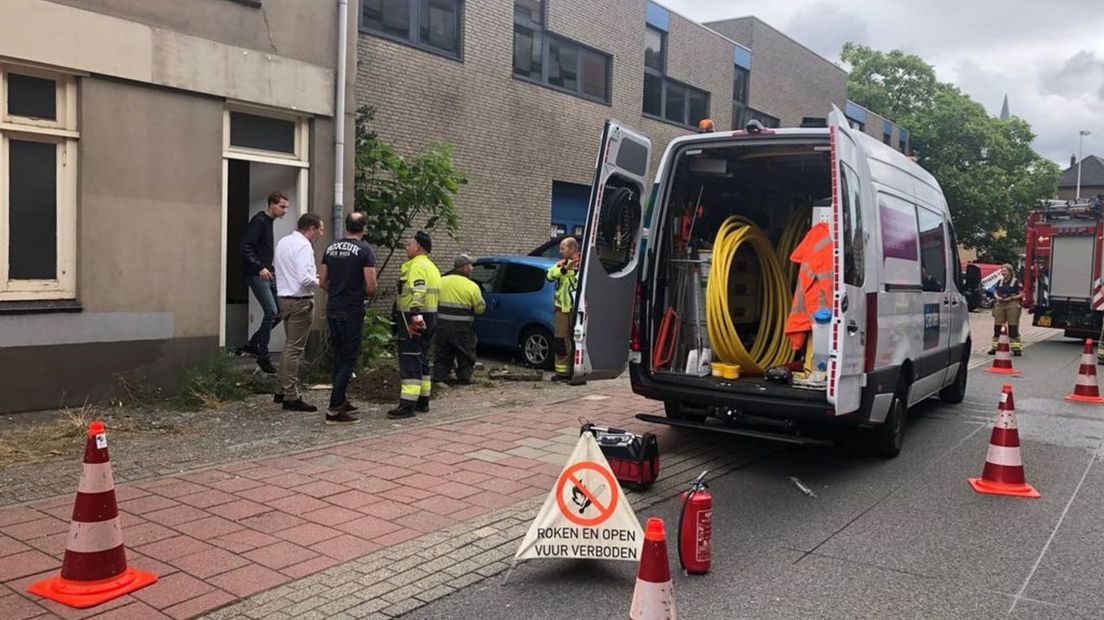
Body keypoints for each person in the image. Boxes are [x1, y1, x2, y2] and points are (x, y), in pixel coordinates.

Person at [319, 212, 377, 425]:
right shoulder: (364, 250)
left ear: (347, 226)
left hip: (333, 307)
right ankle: (334, 409)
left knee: (338, 355)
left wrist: (337, 293)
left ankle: (341, 399)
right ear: (364, 227)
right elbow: (371, 286)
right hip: (351, 310)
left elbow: (322, 281)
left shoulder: (331, 247)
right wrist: (359, 295)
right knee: (348, 358)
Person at [274, 213, 324, 411]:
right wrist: (323, 282)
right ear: (310, 229)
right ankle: (291, 396)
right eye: (320, 229)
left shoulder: (284, 242)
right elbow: (304, 279)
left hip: (285, 298)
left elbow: (289, 271)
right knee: (294, 350)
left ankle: (280, 390)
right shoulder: (304, 246)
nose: (322, 233)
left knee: (289, 347)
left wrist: (313, 276)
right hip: (300, 301)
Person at [388, 231, 441, 419]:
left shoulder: (416, 266)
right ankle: (423, 400)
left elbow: (419, 289)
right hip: (431, 316)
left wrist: (414, 314)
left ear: (418, 247)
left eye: (409, 243)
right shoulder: (432, 267)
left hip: (412, 318)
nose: (406, 247)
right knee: (423, 359)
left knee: (410, 359)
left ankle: (407, 405)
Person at [239, 191, 289, 373]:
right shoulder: (259, 221)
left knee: (280, 310)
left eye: (286, 207)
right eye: (282, 207)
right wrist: (260, 267)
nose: (285, 211)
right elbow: (245, 246)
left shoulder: (268, 222)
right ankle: (263, 355)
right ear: (271, 205)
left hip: (268, 273)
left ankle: (254, 343)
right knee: (271, 311)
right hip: (257, 273)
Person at [433, 254, 486, 387]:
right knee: (466, 353)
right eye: (470, 266)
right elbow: (480, 308)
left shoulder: (441, 281)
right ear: (463, 267)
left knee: (443, 352)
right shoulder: (471, 286)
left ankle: (439, 378)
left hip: (442, 326)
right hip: (463, 328)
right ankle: (463, 379)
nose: (472, 268)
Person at [546, 236, 580, 380]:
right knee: (560, 340)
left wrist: (573, 269)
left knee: (577, 340)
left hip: (577, 309)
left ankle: (576, 371)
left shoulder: (582, 265)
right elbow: (550, 275)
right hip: (561, 309)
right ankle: (562, 372)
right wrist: (564, 269)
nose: (560, 251)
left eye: (563, 248)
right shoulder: (561, 264)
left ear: (572, 249)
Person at [989, 263, 1023, 356]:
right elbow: (995, 292)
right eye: (1002, 271)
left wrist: (1012, 298)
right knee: (997, 327)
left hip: (1012, 304)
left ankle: (1016, 348)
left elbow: (1021, 294)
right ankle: (995, 347)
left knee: (1013, 327)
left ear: (1010, 272)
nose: (1003, 272)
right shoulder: (1000, 281)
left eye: (1005, 271)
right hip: (1000, 304)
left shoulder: (1016, 282)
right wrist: (997, 297)